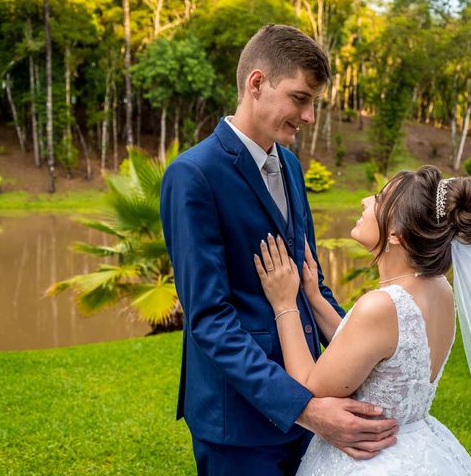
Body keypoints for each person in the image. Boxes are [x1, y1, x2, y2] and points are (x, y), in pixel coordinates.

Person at [160, 24, 397, 475]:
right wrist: (304, 407)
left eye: (313, 103)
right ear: (257, 84)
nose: (309, 117)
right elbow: (209, 319)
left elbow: (313, 283)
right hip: (240, 426)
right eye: (301, 98)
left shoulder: (288, 163)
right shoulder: (193, 175)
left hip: (310, 400)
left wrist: (365, 356)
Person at [254, 165, 471, 474]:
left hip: (374, 460)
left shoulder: (382, 305)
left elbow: (309, 386)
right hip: (418, 445)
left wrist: (284, 303)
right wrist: (315, 297)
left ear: (396, 234)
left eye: (379, 199)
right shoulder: (439, 288)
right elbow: (369, 350)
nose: (365, 201)